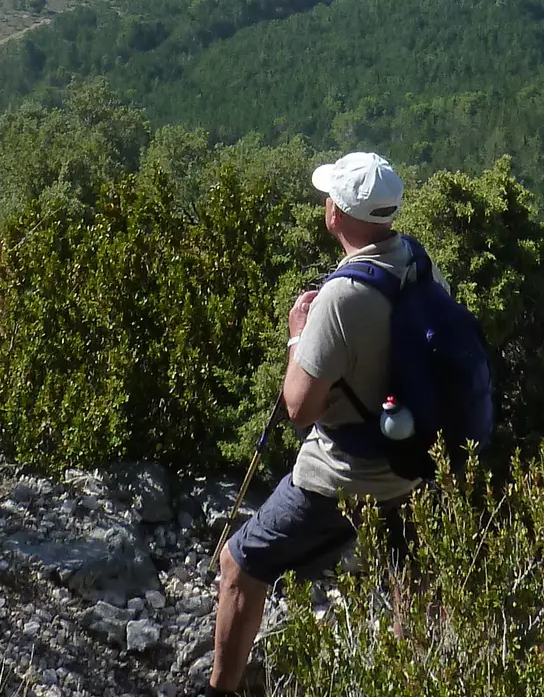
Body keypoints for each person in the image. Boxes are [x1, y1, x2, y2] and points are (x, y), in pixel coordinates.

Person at [205, 151, 424, 697]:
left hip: (343, 474)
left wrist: (297, 333)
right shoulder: (417, 264)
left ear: (337, 214)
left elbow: (300, 409)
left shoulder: (341, 297)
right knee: (404, 593)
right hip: (413, 467)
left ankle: (219, 690)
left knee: (239, 563)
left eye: (330, 197)